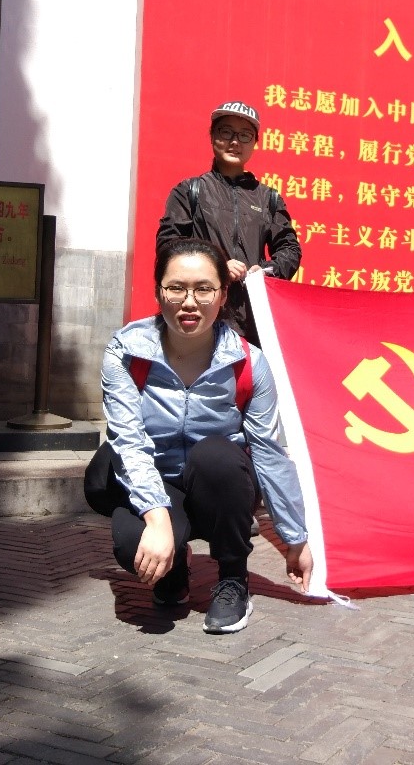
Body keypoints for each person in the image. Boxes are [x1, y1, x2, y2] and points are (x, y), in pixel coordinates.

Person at [97, 237, 313, 632]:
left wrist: (295, 538)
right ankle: (173, 570)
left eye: (203, 289)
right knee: (132, 545)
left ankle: (233, 579)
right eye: (176, 288)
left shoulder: (249, 362)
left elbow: (268, 452)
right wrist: (157, 521)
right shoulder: (126, 352)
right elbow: (128, 441)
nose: (189, 302)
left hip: (219, 484)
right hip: (159, 478)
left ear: (223, 294)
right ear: (158, 291)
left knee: (216, 456)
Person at [156, 101, 301, 346]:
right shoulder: (190, 191)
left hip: (251, 318)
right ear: (212, 136)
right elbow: (169, 246)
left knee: (248, 370)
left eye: (245, 135)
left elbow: (290, 249)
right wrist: (217, 266)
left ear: (255, 143)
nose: (235, 142)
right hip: (199, 312)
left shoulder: (268, 198)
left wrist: (266, 270)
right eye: (226, 132)